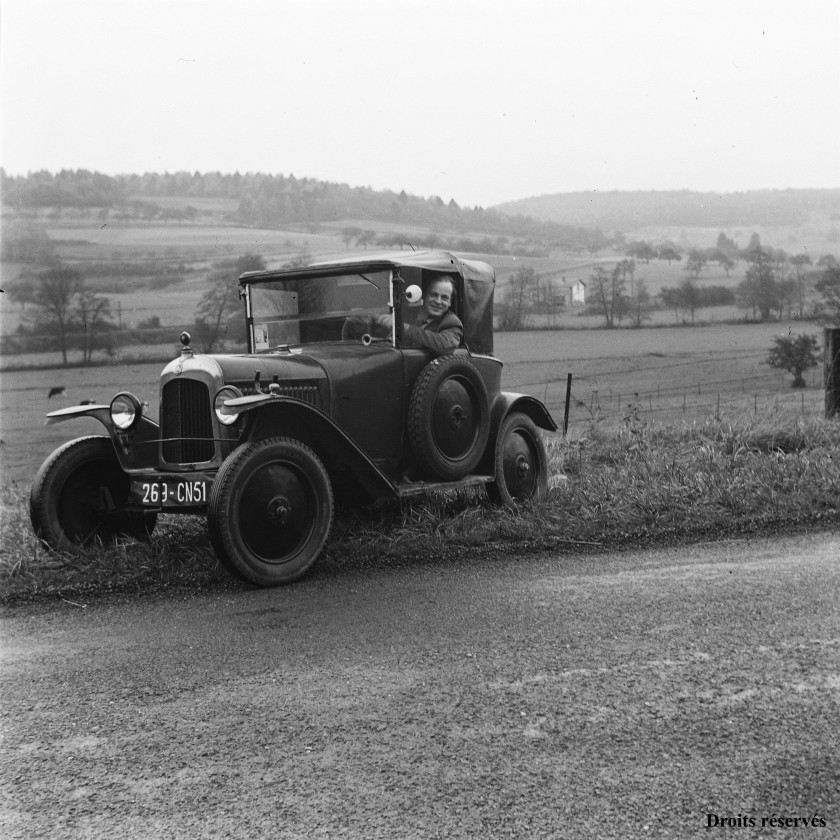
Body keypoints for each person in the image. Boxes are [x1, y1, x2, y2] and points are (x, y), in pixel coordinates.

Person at [401, 274, 463, 354]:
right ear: (423, 295)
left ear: (450, 302)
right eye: (434, 295)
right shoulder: (406, 313)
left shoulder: (452, 322)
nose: (438, 301)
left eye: (444, 297)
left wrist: (405, 328)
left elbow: (445, 345)